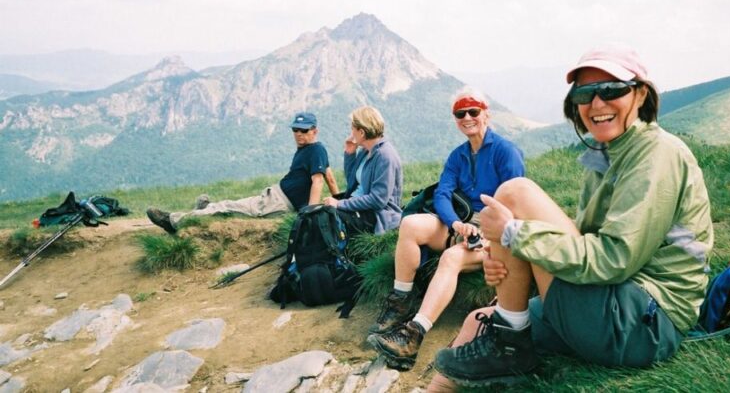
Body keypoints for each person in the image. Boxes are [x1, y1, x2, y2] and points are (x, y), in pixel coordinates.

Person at [430, 44, 714, 389]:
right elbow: (581, 239)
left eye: (611, 90)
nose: (596, 103)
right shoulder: (606, 153)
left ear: (640, 95)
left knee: (516, 193)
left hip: (645, 320)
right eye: (584, 92)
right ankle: (503, 342)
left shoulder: (657, 155)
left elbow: (613, 259)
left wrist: (514, 236)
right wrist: (509, 261)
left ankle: (509, 344)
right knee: (478, 319)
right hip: (615, 300)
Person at [366, 87, 525, 370]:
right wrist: (455, 223)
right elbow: (442, 193)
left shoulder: (506, 152)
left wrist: (489, 237)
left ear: (486, 114)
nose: (467, 117)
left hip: (493, 232)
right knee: (411, 224)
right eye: (460, 113)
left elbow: (515, 201)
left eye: (473, 111)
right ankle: (400, 300)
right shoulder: (458, 155)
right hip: (461, 224)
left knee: (452, 258)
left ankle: (413, 335)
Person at [146, 112, 340, 234]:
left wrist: (310, 212)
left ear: (315, 131)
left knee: (229, 208)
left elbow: (318, 181)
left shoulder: (315, 149)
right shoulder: (314, 150)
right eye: (295, 130)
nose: (298, 134)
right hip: (276, 197)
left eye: (304, 131)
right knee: (234, 207)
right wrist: (340, 201)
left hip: (279, 203)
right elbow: (329, 177)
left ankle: (173, 221)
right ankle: (206, 209)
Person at [323, 106, 403, 236]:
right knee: (317, 215)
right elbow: (351, 183)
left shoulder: (385, 156)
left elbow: (378, 200)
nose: (351, 131)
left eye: (353, 128)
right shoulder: (366, 151)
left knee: (326, 221)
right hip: (359, 205)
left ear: (361, 132)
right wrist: (350, 154)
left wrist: (340, 204)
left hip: (377, 215)